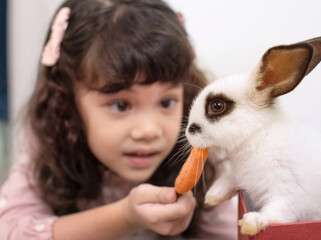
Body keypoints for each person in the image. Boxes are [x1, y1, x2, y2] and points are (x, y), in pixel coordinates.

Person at [0, 0, 238, 239]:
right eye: (121, 105)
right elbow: (10, 230)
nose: (148, 130)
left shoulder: (196, 141)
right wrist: (125, 217)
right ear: (67, 101)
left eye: (166, 102)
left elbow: (227, 234)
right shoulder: (50, 137)